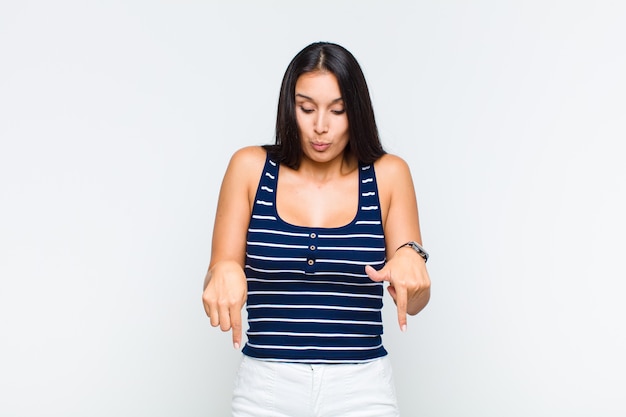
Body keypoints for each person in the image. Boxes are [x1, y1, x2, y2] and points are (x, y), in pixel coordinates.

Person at [202, 41, 431, 417]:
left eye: (337, 111)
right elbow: (217, 278)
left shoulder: (389, 174)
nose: (320, 127)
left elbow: (416, 299)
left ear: (355, 112)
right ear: (288, 106)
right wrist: (222, 271)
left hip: (361, 387)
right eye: (306, 109)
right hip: (267, 388)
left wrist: (412, 264)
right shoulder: (249, 168)